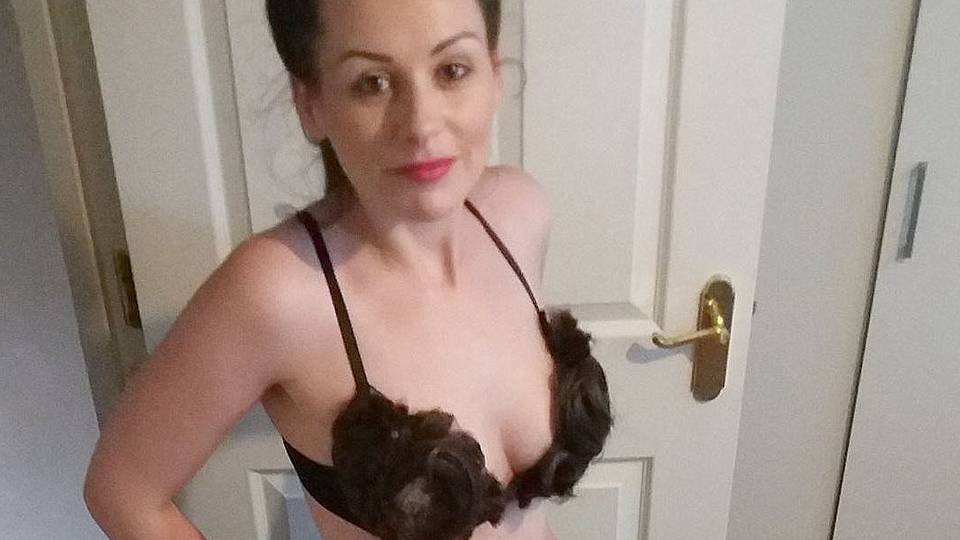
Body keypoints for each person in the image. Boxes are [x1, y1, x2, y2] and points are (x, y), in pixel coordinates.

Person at [83, 1, 611, 538]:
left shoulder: (520, 213)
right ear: (311, 104)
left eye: (452, 70)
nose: (422, 124)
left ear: (494, 76)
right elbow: (123, 492)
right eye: (372, 83)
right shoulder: (277, 291)